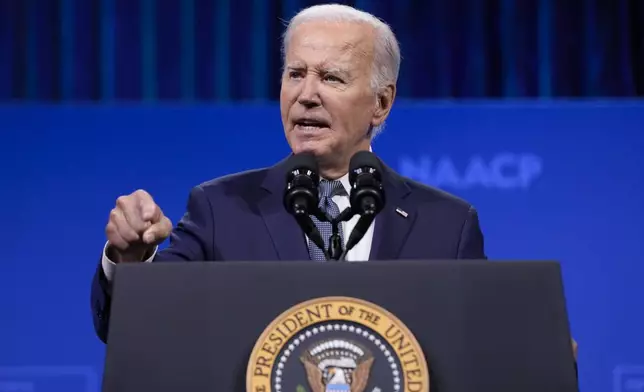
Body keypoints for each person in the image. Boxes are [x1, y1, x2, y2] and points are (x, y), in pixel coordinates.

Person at [91, 3, 487, 343]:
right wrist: (132, 258)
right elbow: (144, 329)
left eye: (331, 77)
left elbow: (479, 352)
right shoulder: (221, 209)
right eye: (296, 74)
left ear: (381, 103)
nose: (306, 94)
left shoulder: (447, 225)